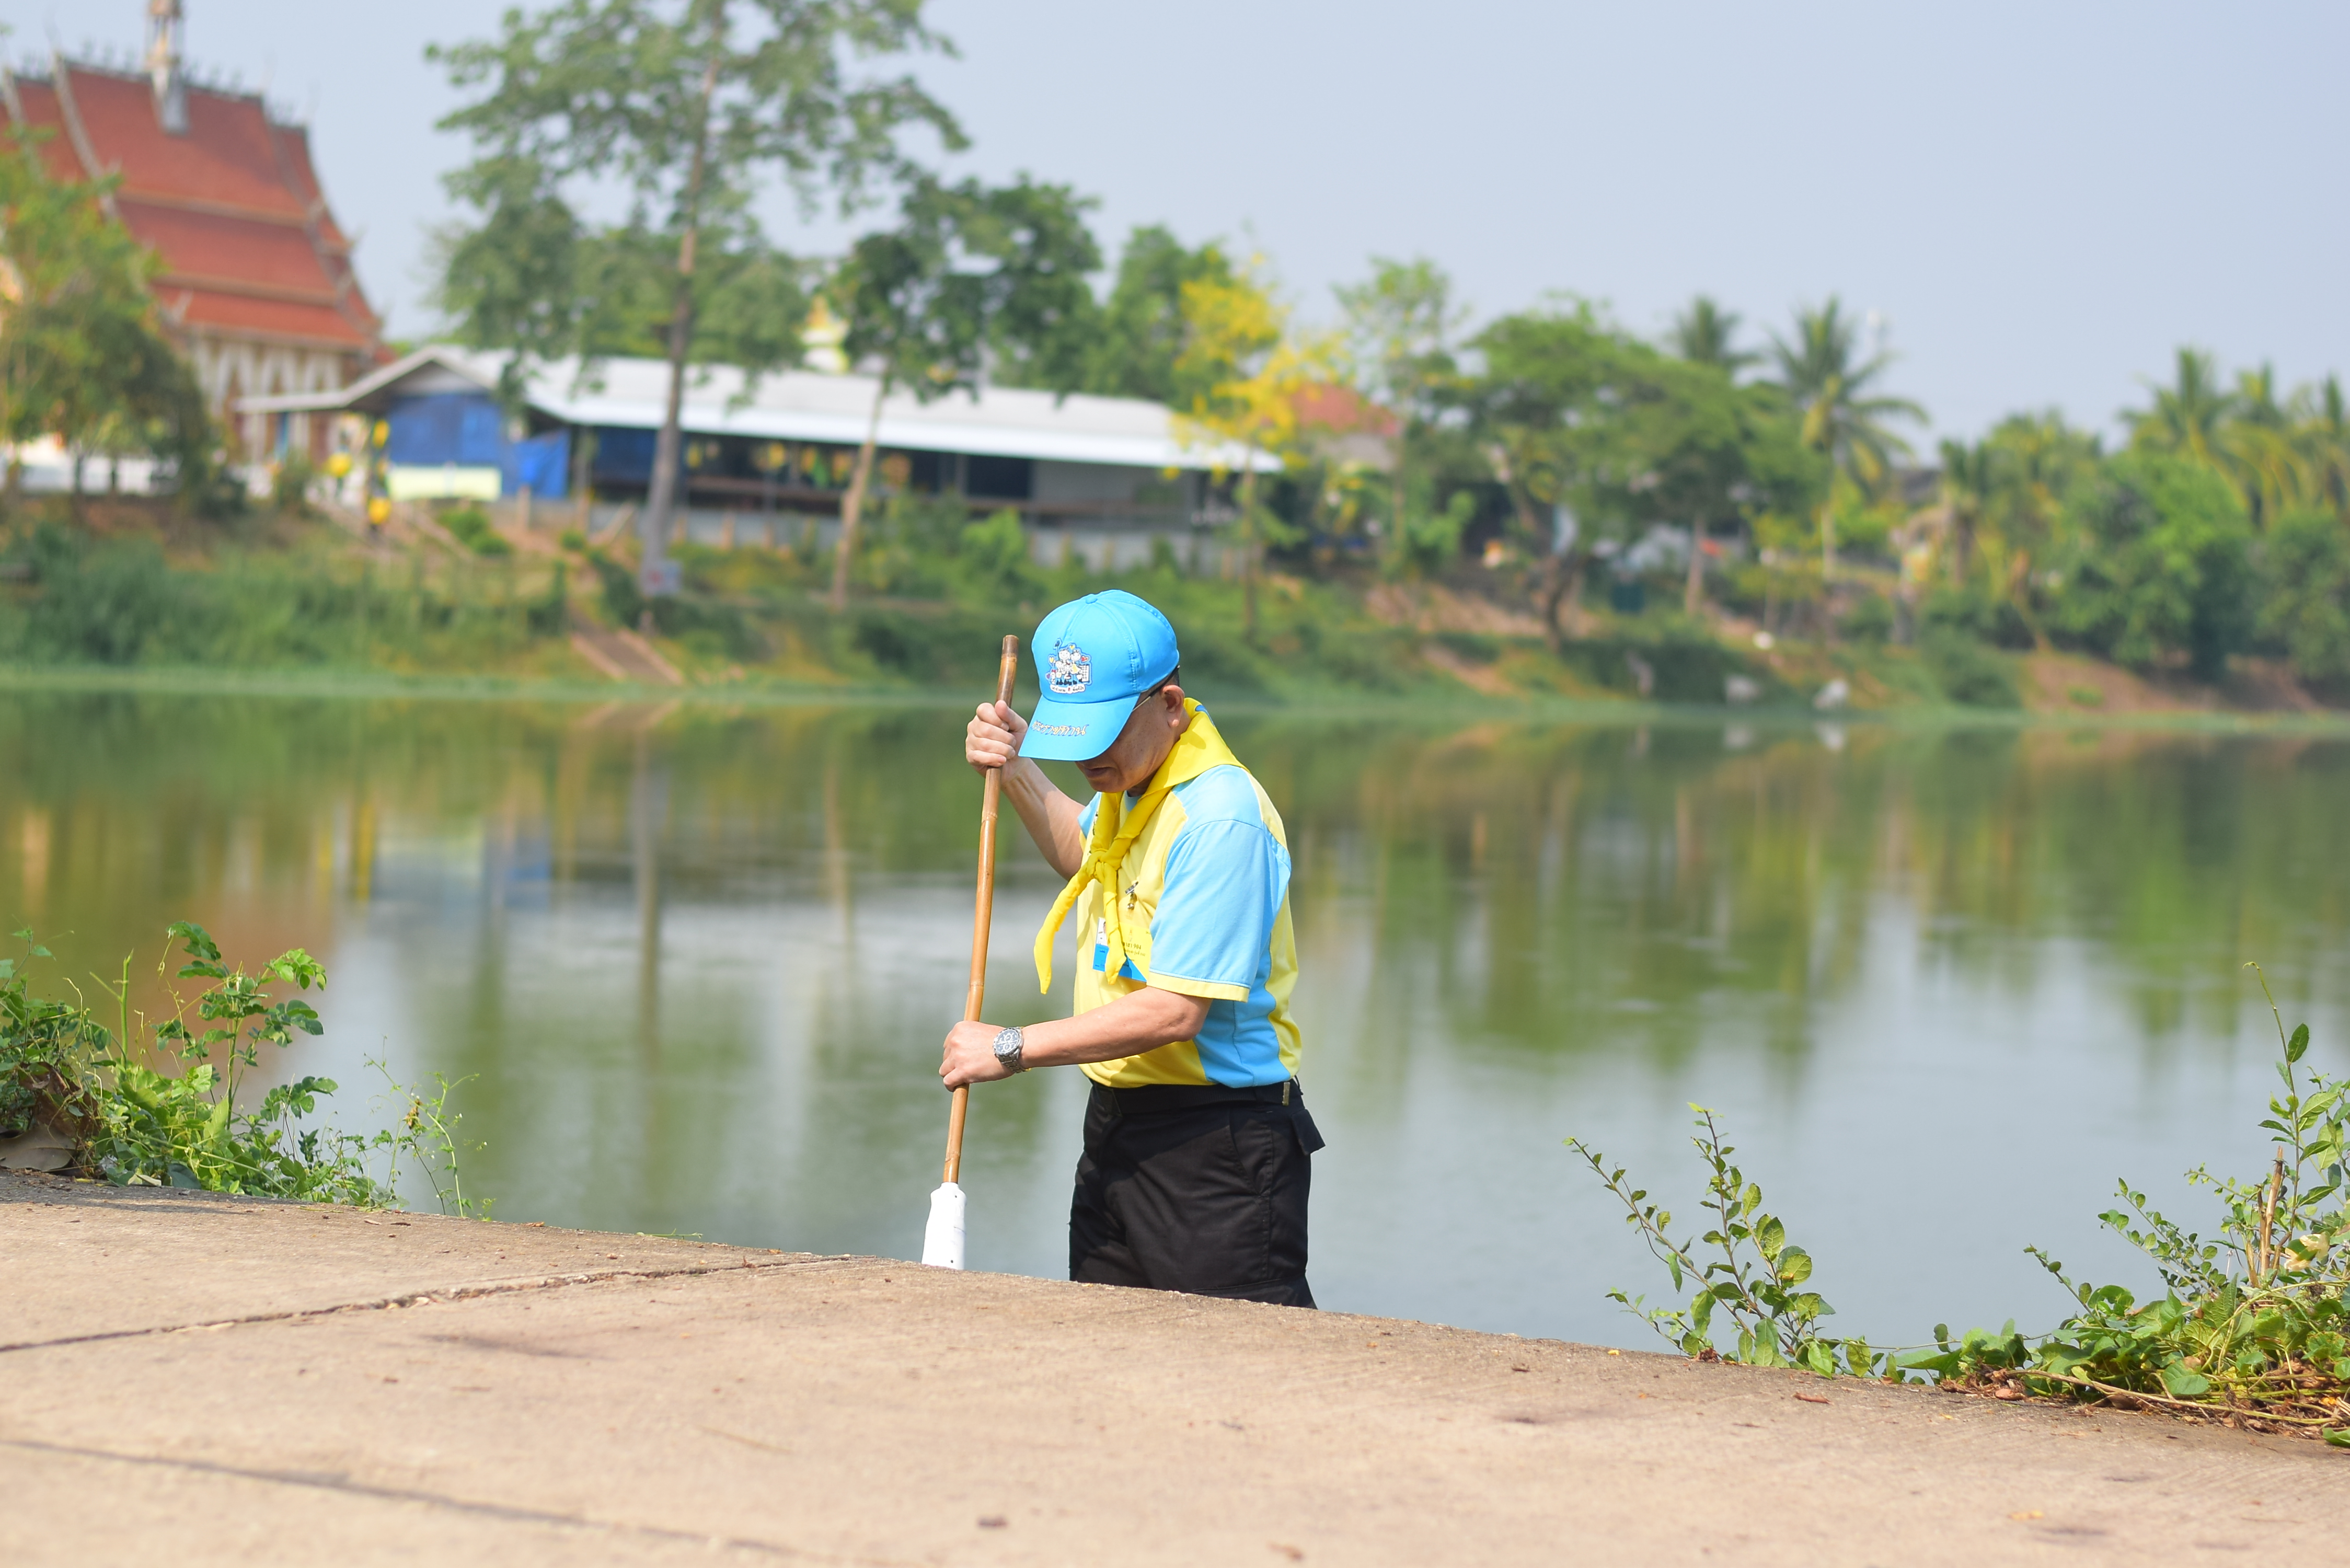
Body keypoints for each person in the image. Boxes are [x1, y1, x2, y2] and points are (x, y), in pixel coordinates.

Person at [941, 590, 1322, 1307]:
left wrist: (1012, 1046)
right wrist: (1017, 766)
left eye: (1104, 731)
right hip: (1119, 1130)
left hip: (1219, 1147)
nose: (1087, 755)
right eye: (1071, 733)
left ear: (1170, 705)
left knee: (1240, 1375)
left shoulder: (1220, 818)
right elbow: (1081, 854)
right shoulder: (1135, 785)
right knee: (1114, 1367)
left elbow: (1176, 1013)